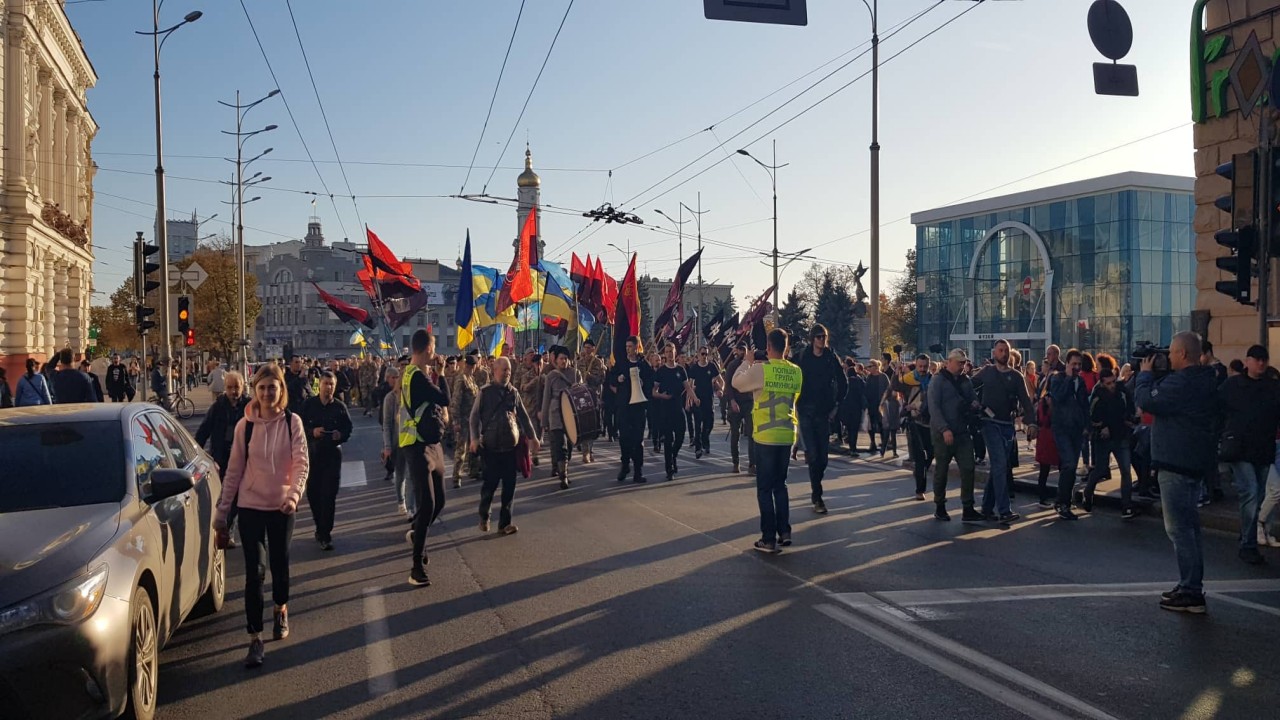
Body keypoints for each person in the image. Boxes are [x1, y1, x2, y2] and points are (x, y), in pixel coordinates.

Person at [214, 363, 309, 668]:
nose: (267, 393)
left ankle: (280, 608)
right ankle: (255, 638)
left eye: (273, 387)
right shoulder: (246, 426)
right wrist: (222, 514)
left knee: (279, 566)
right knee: (255, 572)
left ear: (281, 390)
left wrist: (294, 495)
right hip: (251, 506)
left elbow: (301, 464)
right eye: (262, 387)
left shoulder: (293, 422)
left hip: (282, 507)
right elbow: (234, 472)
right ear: (254, 390)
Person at [1134, 331, 1220, 614]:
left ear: (1183, 354)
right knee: (1190, 528)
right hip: (1193, 461)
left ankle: (1192, 592)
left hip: (1176, 461)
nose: (1167, 357)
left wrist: (1145, 374)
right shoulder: (1204, 379)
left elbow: (1147, 400)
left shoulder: (1182, 382)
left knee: (1179, 530)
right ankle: (1188, 585)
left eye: (1171, 352)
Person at [732, 328, 803, 554]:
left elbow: (737, 383)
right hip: (786, 434)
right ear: (787, 347)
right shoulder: (796, 371)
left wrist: (747, 362)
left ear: (769, 348)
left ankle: (768, 538)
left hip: (765, 435)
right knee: (780, 485)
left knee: (764, 488)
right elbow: (795, 397)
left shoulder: (762, 370)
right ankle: (785, 531)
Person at [1217, 344, 1280, 565]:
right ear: (1247, 361)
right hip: (1240, 449)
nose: (1261, 363)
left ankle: (1247, 535)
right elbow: (1217, 409)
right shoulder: (1233, 385)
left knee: (1257, 496)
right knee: (1251, 493)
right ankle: (1248, 544)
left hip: (1262, 449)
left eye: (1264, 359)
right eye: (1256, 359)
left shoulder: (1272, 387)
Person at [400, 330, 451, 587]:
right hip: (417, 445)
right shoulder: (416, 376)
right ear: (425, 349)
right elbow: (444, 399)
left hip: (432, 443)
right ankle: (416, 566)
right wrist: (441, 374)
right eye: (433, 347)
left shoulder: (417, 374)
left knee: (439, 501)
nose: (435, 352)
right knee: (428, 504)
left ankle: (417, 531)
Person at [470, 357, 540, 535]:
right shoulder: (485, 392)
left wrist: (533, 437)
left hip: (510, 447)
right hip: (491, 448)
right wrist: (474, 438)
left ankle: (504, 523)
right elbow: (474, 417)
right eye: (504, 370)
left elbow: (523, 416)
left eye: (509, 370)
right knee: (490, 486)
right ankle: (484, 515)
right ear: (495, 370)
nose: (507, 373)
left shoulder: (513, 392)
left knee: (509, 486)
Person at [972, 339, 1037, 524]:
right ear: (994, 353)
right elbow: (968, 385)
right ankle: (1004, 510)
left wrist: (1031, 422)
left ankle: (986, 508)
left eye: (1006, 350)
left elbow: (1025, 400)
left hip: (1007, 425)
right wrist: (974, 402)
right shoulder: (986, 372)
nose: (1004, 353)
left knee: (999, 468)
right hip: (989, 423)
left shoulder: (1016, 376)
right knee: (999, 464)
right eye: (1000, 350)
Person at [794, 324, 848, 515]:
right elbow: (791, 375)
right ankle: (817, 496)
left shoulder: (831, 358)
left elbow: (843, 383)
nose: (821, 340)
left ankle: (816, 485)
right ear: (811, 339)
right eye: (817, 337)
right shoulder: (802, 357)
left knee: (823, 459)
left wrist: (836, 406)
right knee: (815, 455)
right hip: (806, 410)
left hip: (824, 412)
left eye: (823, 336)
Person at [300, 371, 353, 552]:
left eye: (332, 384)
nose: (329, 387)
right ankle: (319, 526)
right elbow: (298, 427)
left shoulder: (339, 407)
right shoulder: (309, 405)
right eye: (326, 383)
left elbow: (348, 428)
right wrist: (312, 431)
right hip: (313, 455)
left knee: (329, 496)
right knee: (314, 495)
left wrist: (341, 435)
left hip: (332, 456)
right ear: (320, 385)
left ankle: (325, 534)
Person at [928, 349, 981, 522]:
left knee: (968, 467)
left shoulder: (965, 381)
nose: (962, 365)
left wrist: (974, 405)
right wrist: (944, 429)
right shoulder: (938, 381)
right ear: (948, 362)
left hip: (962, 431)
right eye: (959, 362)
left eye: (963, 362)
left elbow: (973, 398)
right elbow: (934, 408)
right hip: (943, 433)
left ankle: (968, 507)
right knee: (941, 470)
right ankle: (940, 506)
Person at [1081, 366, 1137, 519]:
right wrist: (1101, 426)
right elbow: (1091, 416)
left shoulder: (1122, 391)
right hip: (1103, 439)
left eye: (1113, 382)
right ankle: (1088, 492)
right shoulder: (1097, 395)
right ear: (1101, 383)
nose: (1112, 385)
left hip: (1120, 436)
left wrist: (1130, 419)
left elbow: (1129, 407)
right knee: (1100, 470)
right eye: (1108, 383)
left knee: (1126, 470)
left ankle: (1126, 506)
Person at [1048, 349, 1090, 521]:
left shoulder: (1080, 381)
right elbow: (1058, 397)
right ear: (1067, 364)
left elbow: (1084, 405)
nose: (1077, 367)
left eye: (1079, 365)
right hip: (1062, 428)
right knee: (1070, 464)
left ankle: (1064, 499)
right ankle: (1062, 502)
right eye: (1074, 364)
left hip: (1076, 429)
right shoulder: (1058, 379)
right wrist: (1068, 378)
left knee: (1070, 466)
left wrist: (1087, 425)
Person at [611, 336, 654, 483]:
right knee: (624, 439)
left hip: (638, 408)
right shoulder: (621, 363)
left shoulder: (643, 365)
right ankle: (625, 465)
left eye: (630, 346)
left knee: (638, 440)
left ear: (636, 347)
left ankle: (638, 471)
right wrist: (618, 379)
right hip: (624, 407)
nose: (627, 349)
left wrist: (644, 383)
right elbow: (610, 377)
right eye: (626, 346)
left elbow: (651, 382)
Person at [892, 355, 934, 500]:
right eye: (920, 366)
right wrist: (896, 371)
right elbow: (896, 386)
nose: (922, 369)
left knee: (931, 452)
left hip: (930, 422)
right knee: (920, 457)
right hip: (914, 421)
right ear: (916, 366)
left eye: (925, 367)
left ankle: (919, 472)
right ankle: (920, 489)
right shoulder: (909, 380)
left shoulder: (933, 380)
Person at [541, 345, 582, 489]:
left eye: (566, 358)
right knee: (560, 445)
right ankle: (563, 476)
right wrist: (544, 420)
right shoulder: (551, 376)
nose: (564, 361)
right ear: (556, 360)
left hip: (571, 415)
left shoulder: (575, 374)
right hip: (556, 415)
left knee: (570, 446)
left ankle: (564, 469)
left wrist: (578, 387)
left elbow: (582, 395)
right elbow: (546, 398)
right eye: (561, 359)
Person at [380, 366, 415, 517]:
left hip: (412, 441)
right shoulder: (390, 398)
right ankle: (401, 502)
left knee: (411, 475)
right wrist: (387, 446)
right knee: (400, 474)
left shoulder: (411, 395)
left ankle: (411, 507)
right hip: (397, 442)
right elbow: (387, 424)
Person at [653, 342, 691, 482]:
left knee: (680, 436)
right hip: (665, 410)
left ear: (675, 353)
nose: (669, 354)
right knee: (668, 440)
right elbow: (654, 391)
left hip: (677, 408)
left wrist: (695, 398)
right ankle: (669, 469)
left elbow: (687, 387)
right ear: (665, 354)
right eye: (667, 351)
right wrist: (662, 396)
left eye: (671, 351)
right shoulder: (661, 371)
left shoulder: (681, 370)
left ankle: (674, 456)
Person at [450, 355, 482, 488]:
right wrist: (456, 420)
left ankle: (473, 471)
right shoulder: (461, 379)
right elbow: (456, 401)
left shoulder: (471, 378)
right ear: (471, 366)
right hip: (463, 419)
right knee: (461, 449)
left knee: (473, 446)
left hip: (472, 419)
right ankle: (456, 476)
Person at [724, 343, 755, 474]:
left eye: (744, 349)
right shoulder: (732, 365)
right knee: (735, 434)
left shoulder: (751, 365)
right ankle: (736, 463)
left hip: (749, 402)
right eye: (740, 349)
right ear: (736, 351)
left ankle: (752, 465)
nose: (742, 352)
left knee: (752, 434)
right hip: (736, 402)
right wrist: (732, 401)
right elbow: (728, 385)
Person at [687, 347, 721, 457]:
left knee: (709, 423)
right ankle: (698, 448)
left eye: (706, 354)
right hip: (698, 400)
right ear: (698, 355)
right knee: (697, 424)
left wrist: (721, 389)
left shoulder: (712, 366)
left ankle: (705, 439)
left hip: (709, 399)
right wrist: (690, 399)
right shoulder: (694, 368)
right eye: (702, 354)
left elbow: (721, 380)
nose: (704, 356)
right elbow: (690, 385)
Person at [578, 339, 607, 463]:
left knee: (593, 424)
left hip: (594, 395)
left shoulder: (598, 363)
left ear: (594, 349)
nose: (587, 350)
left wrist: (590, 376)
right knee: (584, 424)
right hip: (582, 397)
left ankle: (590, 450)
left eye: (589, 348)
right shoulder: (579, 363)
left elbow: (601, 380)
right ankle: (585, 451)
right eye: (585, 348)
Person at [863, 361, 889, 455]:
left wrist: (884, 401)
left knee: (882, 424)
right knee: (871, 425)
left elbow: (888, 389)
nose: (868, 368)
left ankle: (883, 444)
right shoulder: (869, 377)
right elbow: (866, 390)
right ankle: (872, 442)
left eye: (870, 366)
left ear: (876, 366)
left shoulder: (883, 377)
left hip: (880, 404)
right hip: (871, 404)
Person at [842, 358, 867, 458]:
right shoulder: (860, 381)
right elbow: (864, 391)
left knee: (849, 428)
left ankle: (850, 447)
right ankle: (853, 448)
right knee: (855, 429)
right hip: (857, 408)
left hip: (847, 408)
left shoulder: (847, 382)